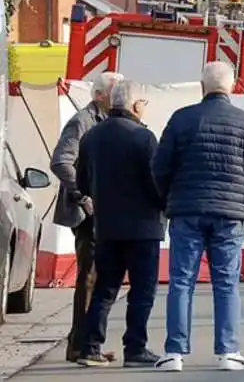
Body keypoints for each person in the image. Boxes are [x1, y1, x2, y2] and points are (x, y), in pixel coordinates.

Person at [152, 61, 244, 372]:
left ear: (202, 86)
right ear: (231, 86)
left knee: (181, 281)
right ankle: (228, 352)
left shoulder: (181, 119)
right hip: (230, 216)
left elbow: (160, 167)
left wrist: (170, 200)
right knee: (227, 283)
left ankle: (174, 353)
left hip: (186, 211)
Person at [75, 81, 163, 367]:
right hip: (143, 227)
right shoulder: (144, 138)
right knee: (142, 290)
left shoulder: (91, 137)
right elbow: (157, 182)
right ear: (136, 105)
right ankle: (135, 348)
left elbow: (82, 183)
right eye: (144, 104)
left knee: (105, 289)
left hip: (107, 226)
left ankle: (90, 347)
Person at [50, 71, 123, 363]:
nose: (119, 99)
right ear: (100, 95)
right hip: (85, 214)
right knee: (90, 278)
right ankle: (80, 346)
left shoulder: (104, 121)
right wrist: (83, 195)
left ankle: (86, 342)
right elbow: (60, 161)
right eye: (115, 92)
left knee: (98, 276)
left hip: (101, 212)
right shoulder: (83, 121)